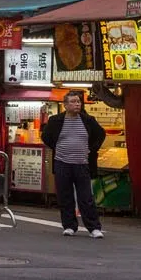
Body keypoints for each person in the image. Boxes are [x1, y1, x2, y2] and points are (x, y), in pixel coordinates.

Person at [41, 91, 107, 238]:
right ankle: (69, 225)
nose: (77, 104)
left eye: (78, 101)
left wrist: (92, 149)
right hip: (62, 162)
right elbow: (45, 136)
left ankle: (94, 227)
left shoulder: (88, 120)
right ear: (65, 105)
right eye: (73, 102)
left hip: (82, 163)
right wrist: (57, 147)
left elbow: (100, 134)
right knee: (65, 196)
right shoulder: (55, 120)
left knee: (86, 197)